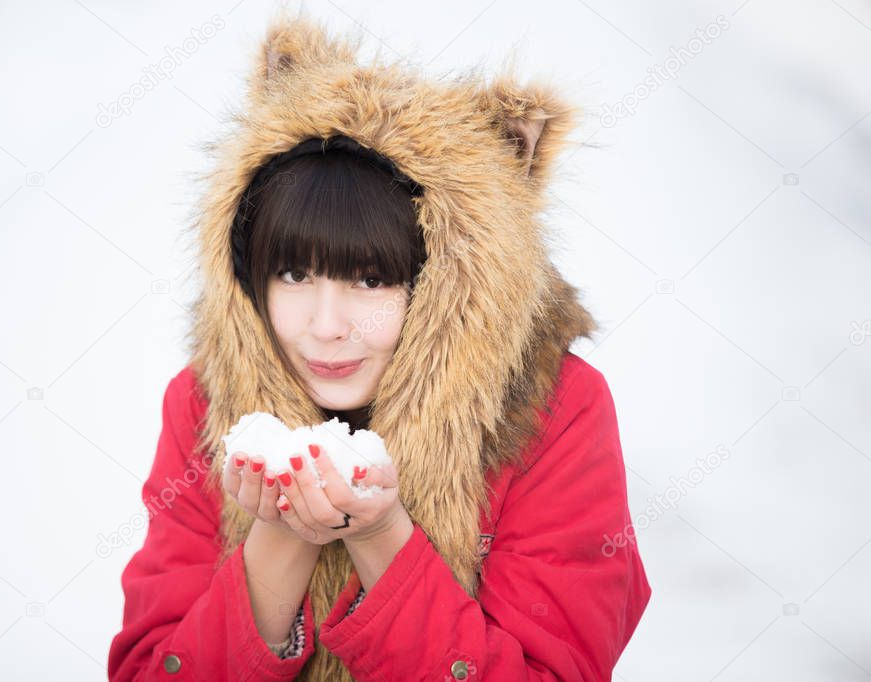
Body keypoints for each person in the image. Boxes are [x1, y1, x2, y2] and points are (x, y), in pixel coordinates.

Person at [108, 10, 651, 681]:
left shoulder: (555, 409)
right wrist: (277, 536)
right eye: (292, 273)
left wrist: (380, 537)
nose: (326, 326)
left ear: (451, 286)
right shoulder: (203, 402)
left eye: (371, 279)